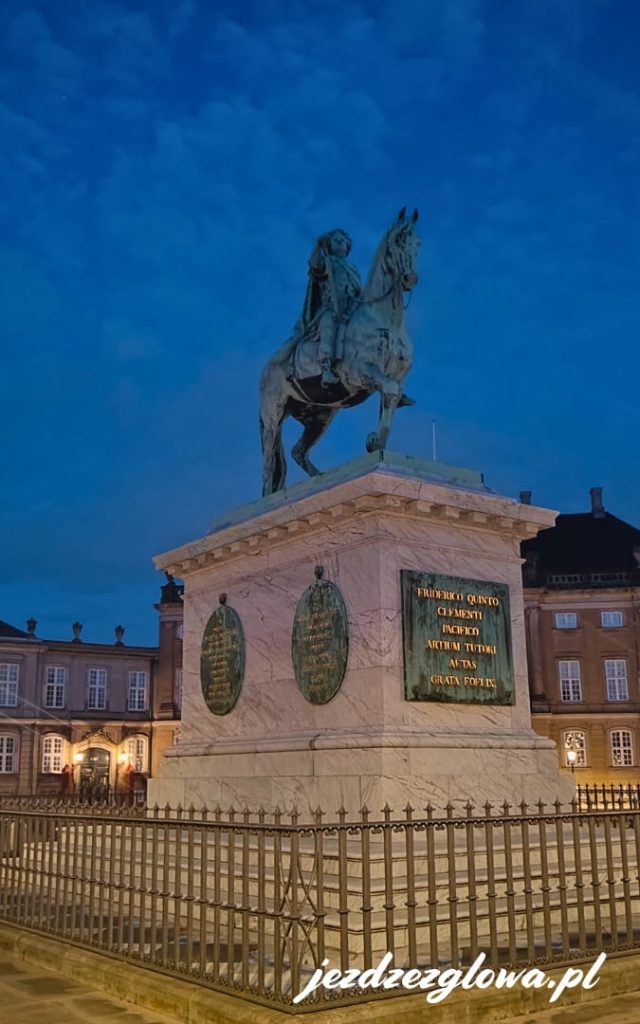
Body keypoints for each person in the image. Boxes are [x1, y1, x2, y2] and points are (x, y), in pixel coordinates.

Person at [295, 228, 362, 387]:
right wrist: (318, 246)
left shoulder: (353, 268)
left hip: (351, 308)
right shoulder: (327, 262)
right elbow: (315, 265)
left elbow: (359, 290)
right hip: (331, 308)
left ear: (347, 246)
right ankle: (326, 367)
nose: (340, 243)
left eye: (343, 241)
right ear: (330, 245)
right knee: (329, 325)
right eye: (336, 241)